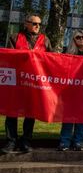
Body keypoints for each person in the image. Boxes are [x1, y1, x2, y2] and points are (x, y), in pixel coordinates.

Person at [2, 13, 52, 154]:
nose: (37, 26)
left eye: (39, 24)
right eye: (34, 23)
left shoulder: (45, 40)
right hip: (17, 81)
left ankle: (25, 141)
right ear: (26, 24)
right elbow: (7, 57)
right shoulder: (15, 37)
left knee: (31, 111)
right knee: (12, 111)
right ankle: (11, 141)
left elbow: (51, 60)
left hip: (33, 82)